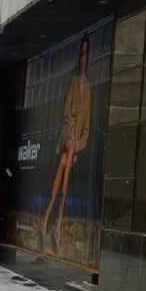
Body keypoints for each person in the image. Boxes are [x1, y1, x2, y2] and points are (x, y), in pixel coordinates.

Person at [41, 35, 92, 249]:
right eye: (81, 54)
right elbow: (67, 111)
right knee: (68, 153)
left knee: (64, 166)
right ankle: (58, 223)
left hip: (74, 144)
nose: (83, 59)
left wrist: (81, 141)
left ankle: (46, 223)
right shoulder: (72, 80)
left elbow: (87, 123)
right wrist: (71, 130)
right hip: (65, 134)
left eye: (86, 54)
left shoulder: (88, 87)